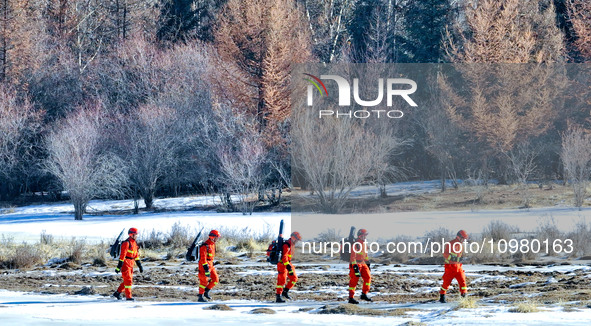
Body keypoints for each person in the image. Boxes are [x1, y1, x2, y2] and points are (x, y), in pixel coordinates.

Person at [113, 228, 143, 301]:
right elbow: (122, 255)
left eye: (136, 234)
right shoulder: (126, 243)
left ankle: (117, 292)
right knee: (128, 280)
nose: (136, 236)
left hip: (131, 264)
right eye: (135, 234)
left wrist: (140, 265)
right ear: (131, 235)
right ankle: (128, 297)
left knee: (128, 280)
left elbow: (136, 255)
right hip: (125, 264)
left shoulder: (134, 243)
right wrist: (119, 266)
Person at [439, 230, 469, 303]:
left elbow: (459, 256)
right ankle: (442, 296)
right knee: (446, 283)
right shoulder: (450, 244)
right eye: (463, 238)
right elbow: (445, 254)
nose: (464, 240)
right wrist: (452, 258)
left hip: (458, 267)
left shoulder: (461, 246)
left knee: (463, 282)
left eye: (465, 239)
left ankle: (464, 298)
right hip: (450, 268)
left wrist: (460, 259)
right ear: (458, 237)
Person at [276, 231, 302, 303]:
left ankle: (285, 292)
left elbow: (288, 257)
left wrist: (289, 265)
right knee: (282, 281)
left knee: (294, 278)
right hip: (282, 265)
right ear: (293, 238)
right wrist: (288, 266)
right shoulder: (286, 245)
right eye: (297, 239)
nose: (297, 241)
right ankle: (278, 297)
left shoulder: (292, 245)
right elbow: (284, 257)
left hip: (288, 263)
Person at [348, 228, 372, 304]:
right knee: (354, 281)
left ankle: (364, 294)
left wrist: (368, 263)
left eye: (365, 236)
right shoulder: (356, 244)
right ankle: (351, 298)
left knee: (368, 278)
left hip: (363, 263)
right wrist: (355, 268)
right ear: (359, 236)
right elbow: (352, 257)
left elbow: (365, 255)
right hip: (355, 264)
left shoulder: (364, 244)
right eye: (363, 235)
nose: (365, 237)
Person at [198, 230, 221, 302]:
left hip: (211, 265)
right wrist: (206, 268)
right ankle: (200, 297)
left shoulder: (213, 244)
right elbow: (203, 258)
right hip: (204, 267)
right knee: (203, 282)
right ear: (212, 237)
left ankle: (206, 292)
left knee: (215, 279)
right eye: (216, 237)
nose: (217, 239)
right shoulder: (205, 246)